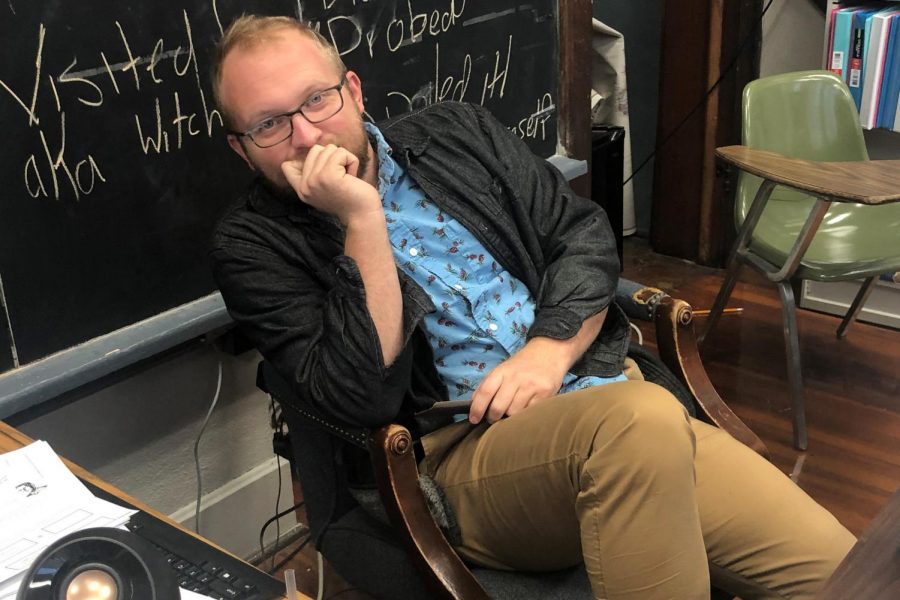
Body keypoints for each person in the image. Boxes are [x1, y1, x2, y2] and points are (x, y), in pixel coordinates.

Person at [209, 15, 855, 600]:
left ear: (352, 90)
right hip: (468, 454)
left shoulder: (455, 132)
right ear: (241, 147)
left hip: (604, 391)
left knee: (849, 575)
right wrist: (361, 217)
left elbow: (582, 236)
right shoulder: (253, 244)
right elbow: (362, 395)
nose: (303, 134)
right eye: (269, 123)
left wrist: (552, 349)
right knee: (637, 424)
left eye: (316, 100)